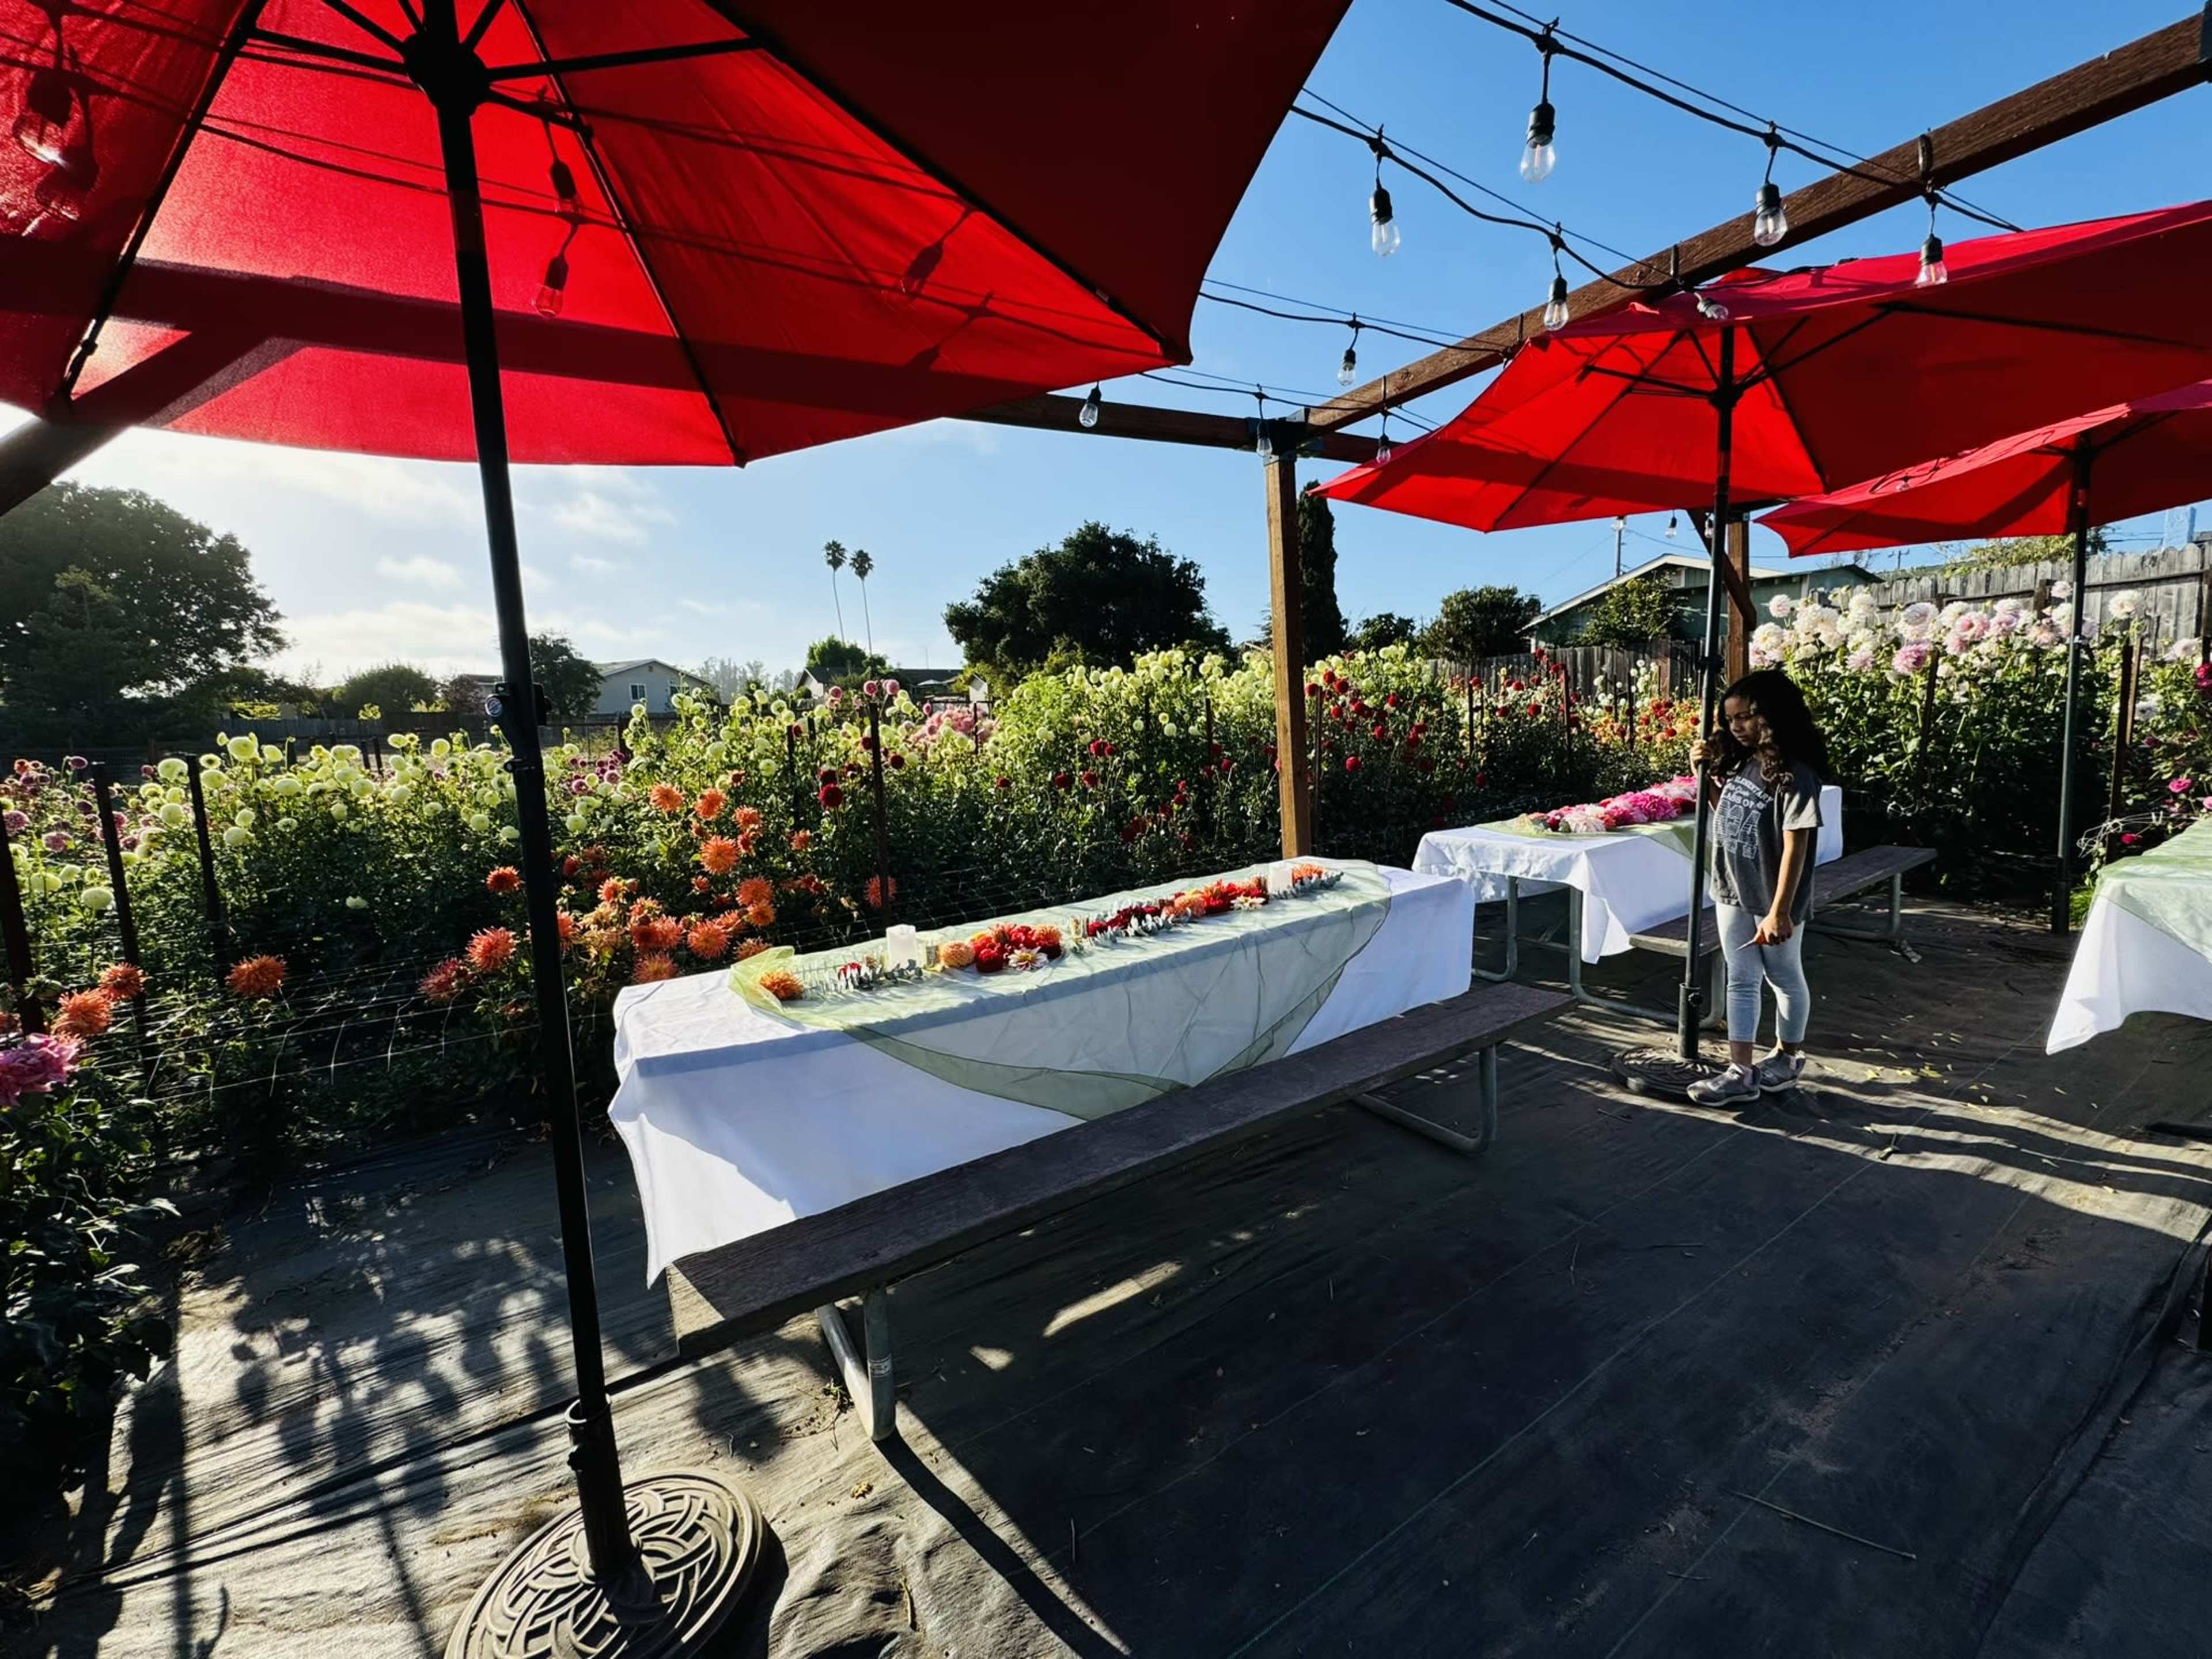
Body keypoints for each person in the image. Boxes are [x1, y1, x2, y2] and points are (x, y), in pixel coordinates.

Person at [1683, 668, 1830, 1105]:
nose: (1736, 727)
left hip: (1773, 899)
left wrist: (1780, 911)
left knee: (1783, 976)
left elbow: (1796, 845)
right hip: (1732, 889)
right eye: (1730, 720)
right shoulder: (1745, 764)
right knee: (1741, 978)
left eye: (1745, 717)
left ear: (1772, 715)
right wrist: (1702, 776)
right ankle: (1741, 1071)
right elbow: (1728, 817)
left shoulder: (1796, 775)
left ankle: (1788, 1056)